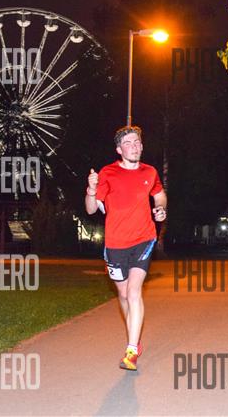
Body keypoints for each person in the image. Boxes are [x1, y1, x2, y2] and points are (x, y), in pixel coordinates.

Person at [85, 125, 167, 371]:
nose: (134, 146)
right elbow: (91, 208)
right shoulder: (108, 173)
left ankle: (131, 351)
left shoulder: (150, 172)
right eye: (128, 143)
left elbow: (160, 195)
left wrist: (161, 208)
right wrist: (91, 189)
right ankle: (135, 337)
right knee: (123, 295)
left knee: (133, 292)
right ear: (119, 150)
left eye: (137, 142)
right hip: (115, 243)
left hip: (144, 239)